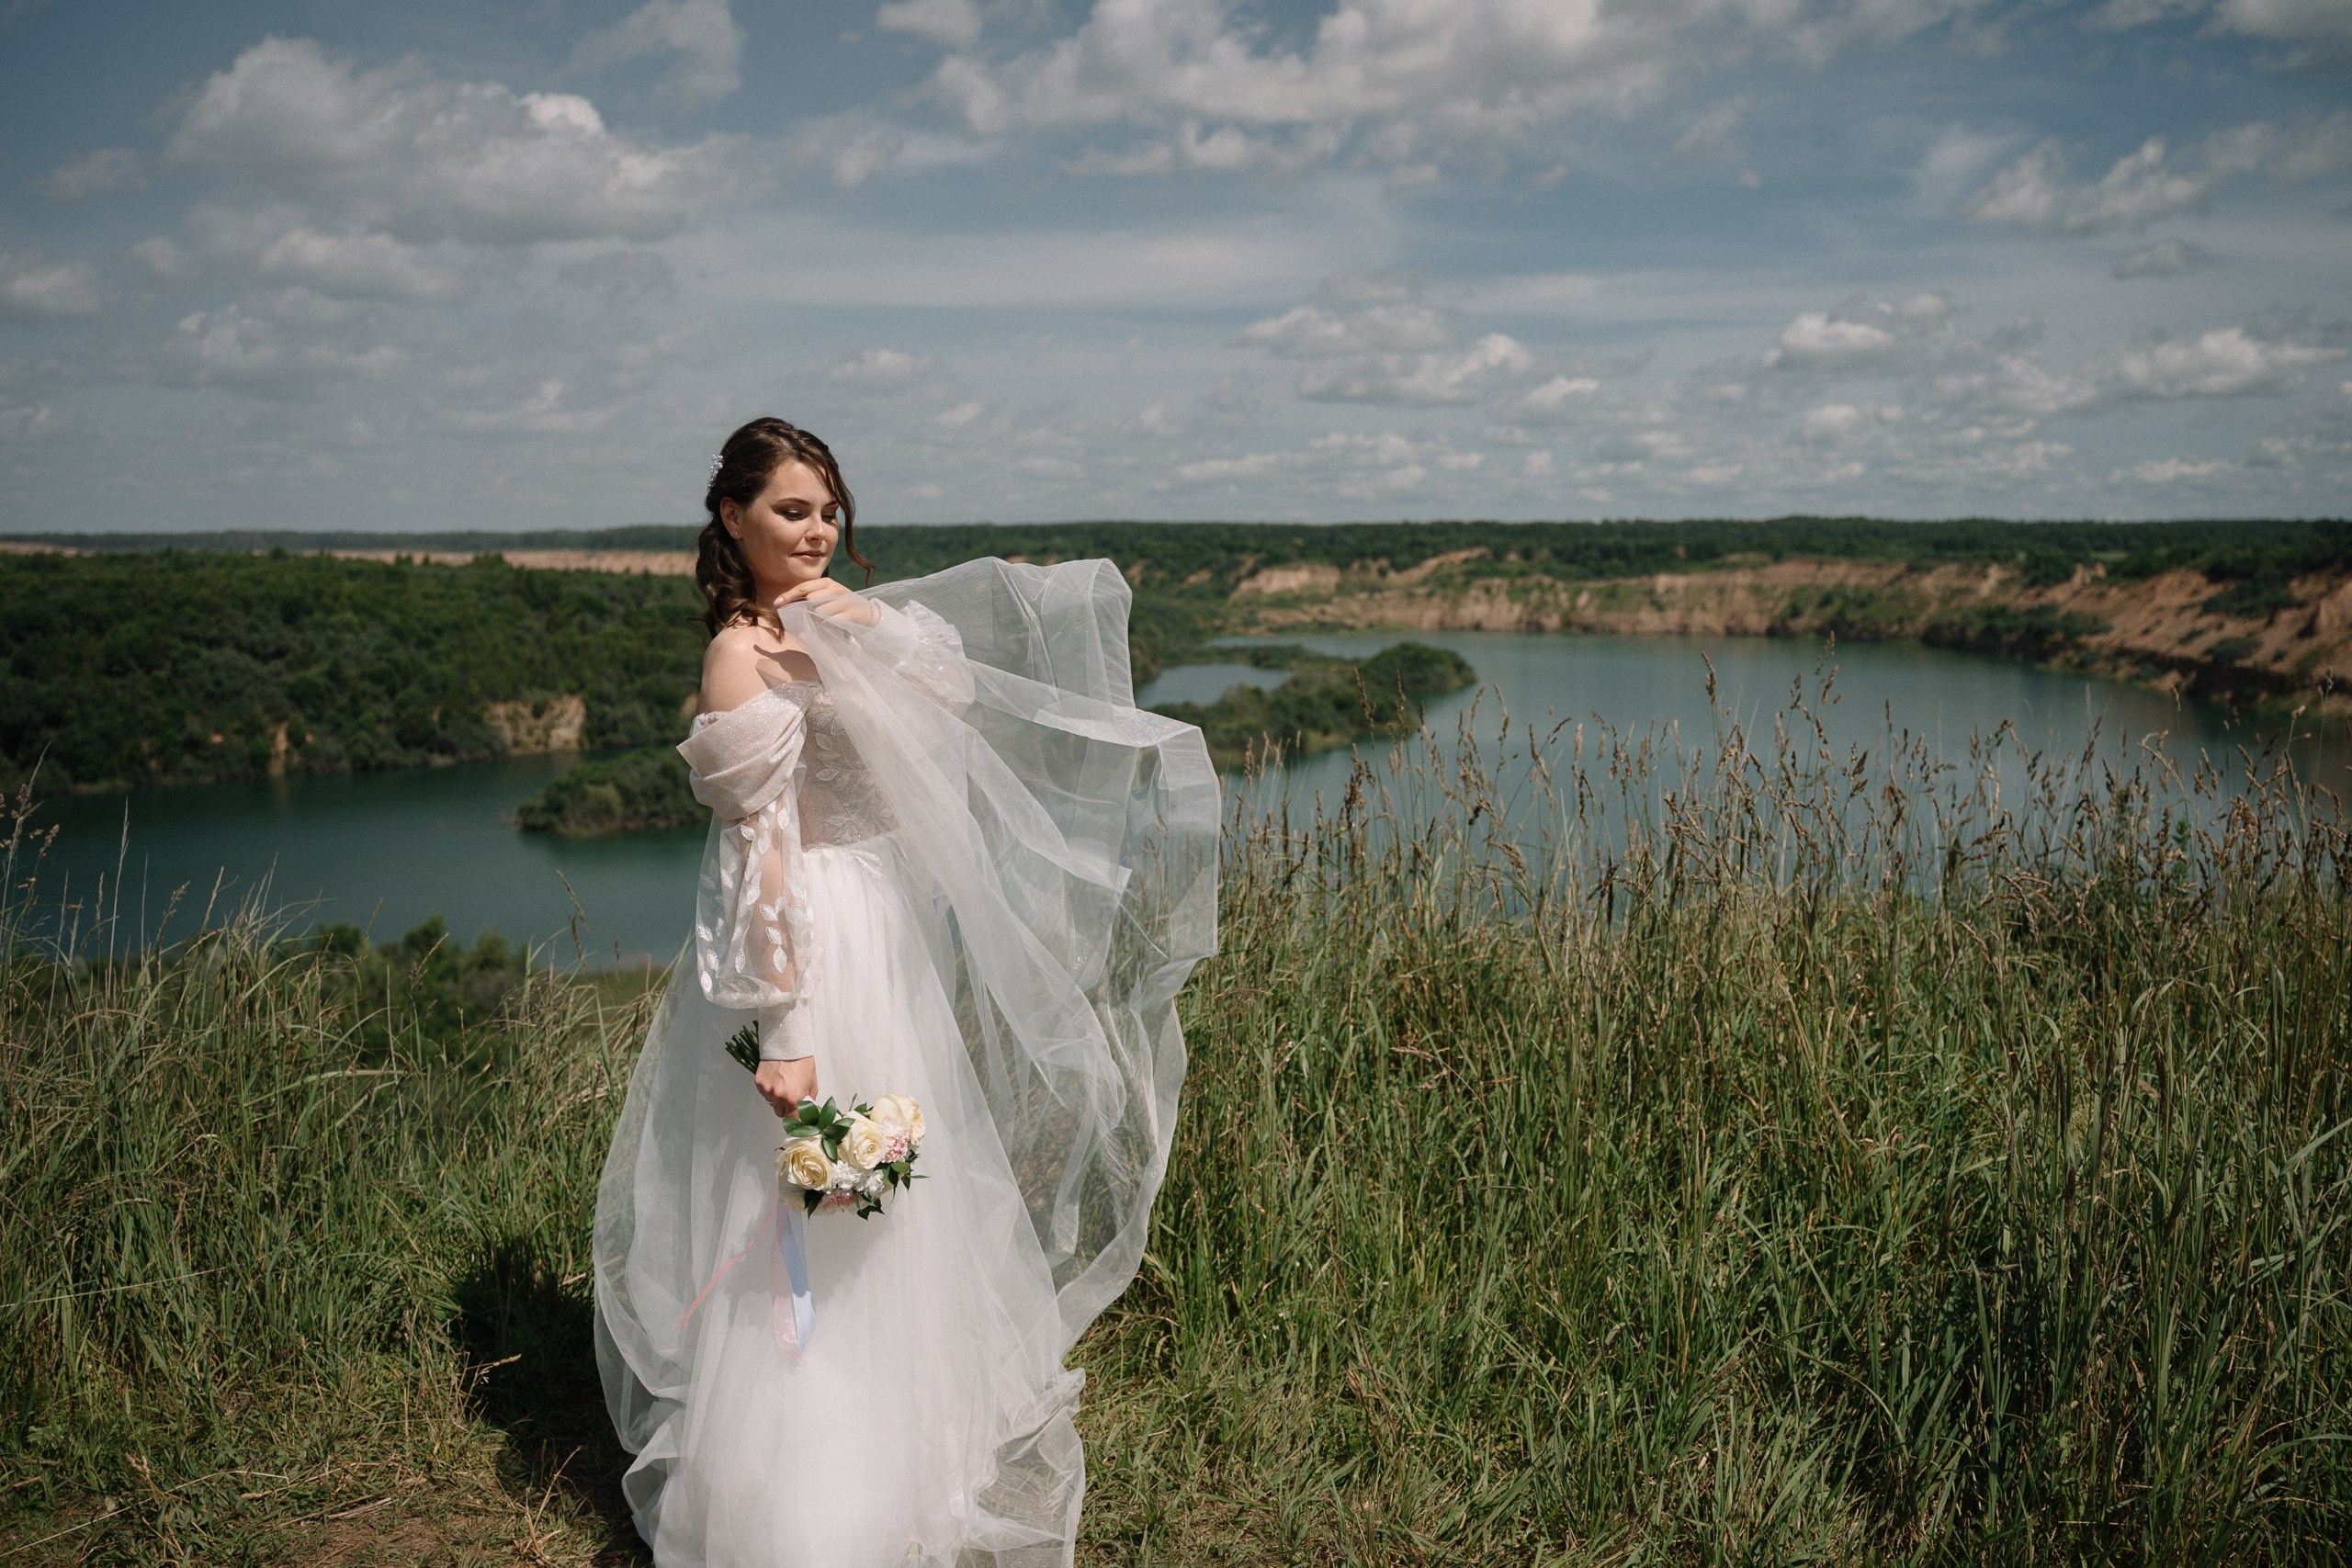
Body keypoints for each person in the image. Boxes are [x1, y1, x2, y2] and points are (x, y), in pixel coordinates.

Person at [593, 418, 1219, 1567]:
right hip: (810, 946)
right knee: (809, 1197)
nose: (818, 528)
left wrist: (869, 624)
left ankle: (910, 1437)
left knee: (891, 1192)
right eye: (791, 509)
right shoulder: (742, 655)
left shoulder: (847, 622)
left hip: (884, 935)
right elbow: (757, 855)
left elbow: (956, 703)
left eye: (829, 508)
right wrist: (781, 1030)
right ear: (732, 519)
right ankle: (806, 1495)